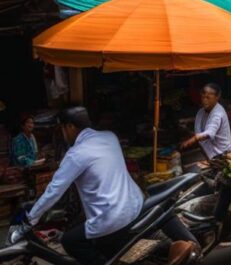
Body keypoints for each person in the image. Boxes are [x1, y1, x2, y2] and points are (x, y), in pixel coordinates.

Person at [24, 108, 198, 265]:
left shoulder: (76, 154)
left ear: (69, 127)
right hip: (134, 205)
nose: (63, 134)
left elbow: (53, 191)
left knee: (69, 241)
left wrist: (30, 219)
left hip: (112, 218)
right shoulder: (110, 137)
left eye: (62, 129)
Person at [181, 83, 231, 161]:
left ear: (217, 97)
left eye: (208, 97)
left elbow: (209, 132)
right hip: (210, 156)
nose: (205, 100)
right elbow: (199, 127)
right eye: (203, 97)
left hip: (224, 155)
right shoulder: (201, 111)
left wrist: (192, 140)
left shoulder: (218, 113)